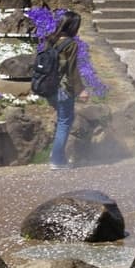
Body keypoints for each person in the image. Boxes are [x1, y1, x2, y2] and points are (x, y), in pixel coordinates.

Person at [47, 10, 85, 169]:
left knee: (62, 119)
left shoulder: (51, 40)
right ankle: (56, 160)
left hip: (48, 87)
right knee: (64, 122)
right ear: (73, 26)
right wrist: (81, 90)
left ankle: (58, 155)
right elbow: (72, 70)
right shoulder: (71, 44)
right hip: (63, 88)